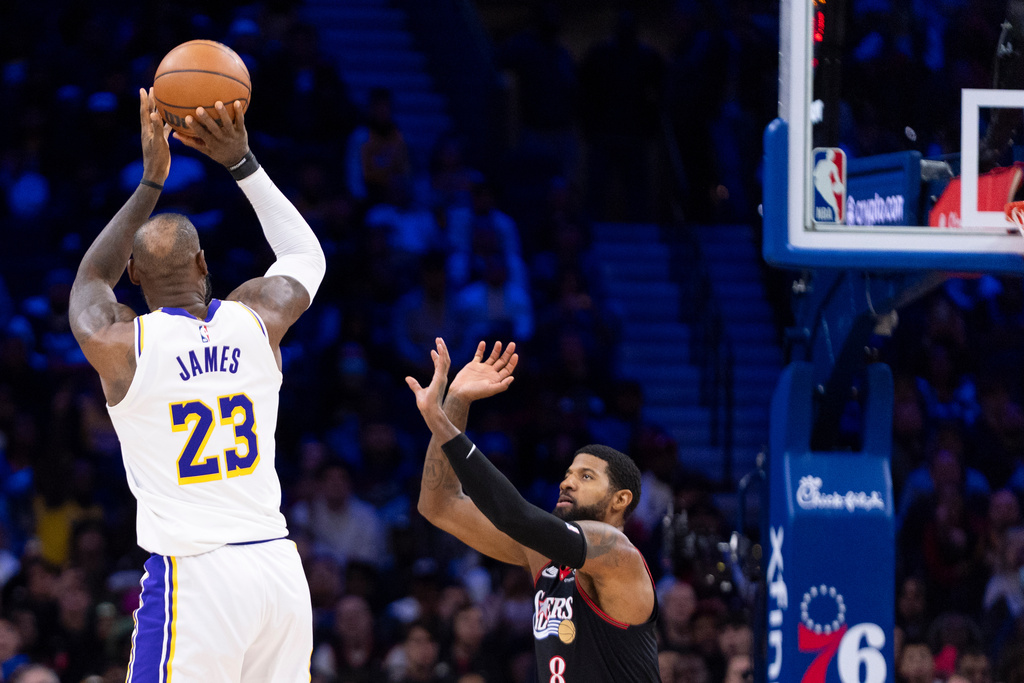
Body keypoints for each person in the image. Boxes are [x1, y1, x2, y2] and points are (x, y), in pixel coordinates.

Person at [68, 90, 326, 681]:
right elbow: (303, 254)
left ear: (133, 277)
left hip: (197, 577)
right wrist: (243, 162)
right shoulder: (257, 316)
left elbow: (88, 282)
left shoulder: (123, 343)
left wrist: (149, 182)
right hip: (276, 569)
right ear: (204, 264)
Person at [406, 338, 660, 682]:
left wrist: (441, 424)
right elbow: (438, 505)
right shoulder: (545, 556)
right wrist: (456, 402)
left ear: (620, 499)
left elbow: (517, 516)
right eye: (567, 474)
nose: (567, 483)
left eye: (586, 476)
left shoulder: (617, 552)